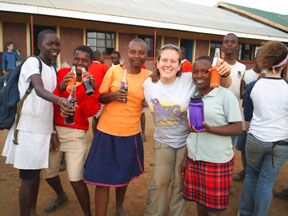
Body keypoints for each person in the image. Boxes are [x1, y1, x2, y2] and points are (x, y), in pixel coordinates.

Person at [143, 45, 232, 216]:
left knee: (180, 183)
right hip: (162, 141)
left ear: (179, 66)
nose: (168, 65)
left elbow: (223, 84)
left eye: (173, 61)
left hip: (187, 142)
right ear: (157, 63)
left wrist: (226, 73)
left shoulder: (188, 80)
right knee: (159, 182)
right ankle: (152, 213)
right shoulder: (149, 83)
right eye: (164, 60)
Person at [1, 30, 72, 216]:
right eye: (50, 44)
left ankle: (32, 211)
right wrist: (60, 100)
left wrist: (53, 132)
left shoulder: (53, 69)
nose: (55, 48)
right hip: (28, 129)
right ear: (39, 45)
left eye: (57, 44)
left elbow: (49, 102)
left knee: (35, 175)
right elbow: (39, 90)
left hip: (43, 129)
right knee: (28, 178)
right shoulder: (33, 62)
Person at [83, 38, 152, 216]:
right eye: (133, 52)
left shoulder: (148, 77)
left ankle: (119, 207)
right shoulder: (114, 71)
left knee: (123, 175)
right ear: (126, 53)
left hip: (130, 133)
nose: (137, 56)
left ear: (147, 55)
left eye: (141, 52)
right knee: (102, 178)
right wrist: (113, 95)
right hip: (107, 132)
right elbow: (100, 98)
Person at [41, 45, 100, 215]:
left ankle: (87, 213)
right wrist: (60, 87)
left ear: (90, 63)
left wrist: (94, 90)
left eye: (84, 60)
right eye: (77, 59)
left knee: (76, 178)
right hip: (55, 132)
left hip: (75, 134)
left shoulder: (91, 81)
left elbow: (90, 112)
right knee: (48, 173)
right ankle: (61, 195)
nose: (80, 63)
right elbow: (50, 103)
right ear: (72, 58)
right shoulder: (62, 74)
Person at [179, 56, 242, 216]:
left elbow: (237, 128)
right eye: (195, 71)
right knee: (199, 204)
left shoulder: (225, 96)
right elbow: (192, 131)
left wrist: (209, 129)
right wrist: (187, 157)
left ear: (214, 73)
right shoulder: (193, 95)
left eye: (205, 72)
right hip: (195, 159)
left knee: (215, 210)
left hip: (216, 161)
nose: (199, 75)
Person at [238, 41, 288, 216]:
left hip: (256, 139)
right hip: (281, 143)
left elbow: (248, 120)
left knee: (251, 176)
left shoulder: (253, 87)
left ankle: (244, 213)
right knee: (266, 182)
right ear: (284, 63)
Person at [233, 62, 262, 182]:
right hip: (246, 118)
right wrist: (244, 90)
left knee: (259, 151)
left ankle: (254, 173)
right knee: (243, 148)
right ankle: (245, 170)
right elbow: (241, 93)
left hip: (261, 121)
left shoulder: (271, 76)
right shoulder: (246, 74)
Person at [221, 33, 246, 147]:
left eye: (233, 42)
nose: (229, 44)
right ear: (222, 46)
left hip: (234, 113)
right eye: (226, 42)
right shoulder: (217, 64)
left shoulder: (242, 67)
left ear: (237, 46)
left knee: (229, 146)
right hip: (219, 111)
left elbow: (240, 86)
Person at [89, 50, 109, 136]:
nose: (103, 58)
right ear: (99, 57)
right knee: (102, 116)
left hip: (91, 95)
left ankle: (94, 135)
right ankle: (100, 135)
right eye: (102, 57)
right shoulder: (103, 67)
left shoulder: (88, 66)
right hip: (101, 95)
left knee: (95, 117)